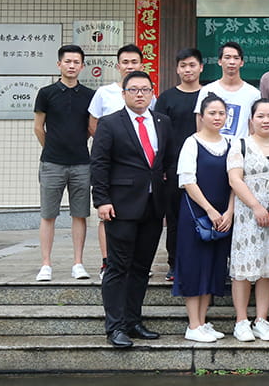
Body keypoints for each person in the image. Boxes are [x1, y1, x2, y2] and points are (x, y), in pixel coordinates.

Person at [90, 70, 169, 349]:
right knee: (118, 266)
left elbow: (167, 162)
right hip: (120, 206)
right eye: (133, 89)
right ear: (123, 94)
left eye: (145, 89)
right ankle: (115, 327)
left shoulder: (162, 121)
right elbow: (99, 163)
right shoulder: (110, 123)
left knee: (141, 267)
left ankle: (133, 321)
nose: (139, 94)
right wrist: (102, 200)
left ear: (152, 93)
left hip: (153, 207)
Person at [175, 93, 235, 343]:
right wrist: (210, 210)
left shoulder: (231, 143)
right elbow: (188, 181)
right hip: (196, 214)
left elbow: (236, 181)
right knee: (194, 267)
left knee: (212, 267)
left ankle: (202, 321)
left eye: (221, 113)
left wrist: (230, 211)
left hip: (223, 216)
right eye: (212, 113)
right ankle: (193, 324)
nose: (217, 117)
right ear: (201, 116)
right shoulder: (192, 143)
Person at [88, 43, 152, 279]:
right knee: (109, 217)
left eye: (134, 62)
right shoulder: (104, 93)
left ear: (142, 65)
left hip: (139, 171)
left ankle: (136, 262)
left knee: (138, 222)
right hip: (113, 166)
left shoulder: (147, 94)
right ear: (117, 66)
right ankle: (107, 261)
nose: (129, 66)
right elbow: (94, 125)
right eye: (125, 62)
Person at [32, 44, 95, 282]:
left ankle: (78, 263)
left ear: (82, 66)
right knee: (48, 215)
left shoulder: (90, 95)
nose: (71, 66)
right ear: (59, 64)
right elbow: (39, 128)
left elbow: (90, 128)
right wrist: (51, 147)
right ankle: (45, 264)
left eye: (76, 62)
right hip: (52, 163)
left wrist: (76, 143)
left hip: (81, 163)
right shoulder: (46, 93)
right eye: (67, 61)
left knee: (80, 214)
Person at [227, 99, 269, 342]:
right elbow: (234, 179)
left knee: (268, 268)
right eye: (260, 116)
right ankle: (241, 321)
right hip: (248, 215)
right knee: (243, 268)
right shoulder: (240, 145)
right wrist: (255, 206)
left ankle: (262, 320)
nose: (265, 120)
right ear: (251, 120)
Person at [155, 47, 204, 282]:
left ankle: (204, 261)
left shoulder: (208, 95)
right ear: (177, 69)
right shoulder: (166, 98)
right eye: (183, 66)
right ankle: (174, 263)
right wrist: (162, 167)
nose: (188, 70)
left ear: (201, 67)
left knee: (203, 213)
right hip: (173, 167)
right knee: (174, 217)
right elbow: (158, 136)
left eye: (192, 65)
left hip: (203, 166)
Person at [195, 42, 261, 140]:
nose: (232, 62)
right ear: (219, 61)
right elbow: (200, 126)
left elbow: (253, 129)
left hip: (240, 148)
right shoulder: (207, 90)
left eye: (236, 58)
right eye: (227, 57)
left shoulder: (253, 94)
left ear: (242, 62)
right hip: (212, 147)